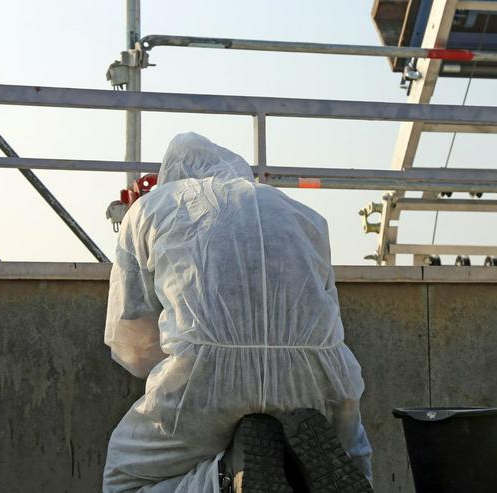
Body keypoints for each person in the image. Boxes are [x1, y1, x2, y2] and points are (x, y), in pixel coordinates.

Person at [103, 132, 372, 492]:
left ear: (170, 176)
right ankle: (311, 471)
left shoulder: (151, 210)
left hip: (205, 376)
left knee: (126, 481)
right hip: (318, 379)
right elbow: (327, 313)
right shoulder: (303, 214)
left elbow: (132, 341)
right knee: (351, 453)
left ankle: (225, 479)